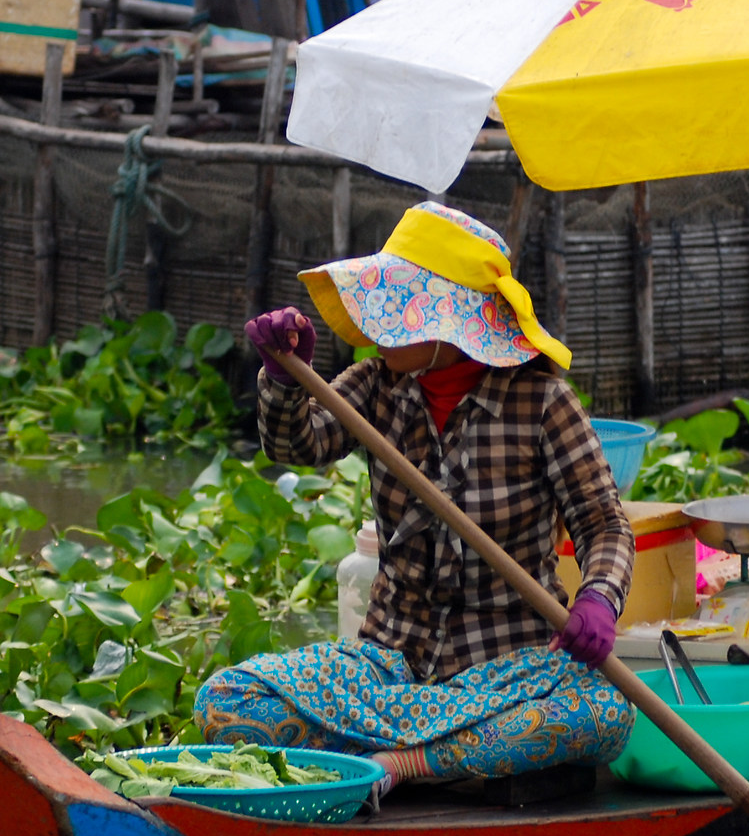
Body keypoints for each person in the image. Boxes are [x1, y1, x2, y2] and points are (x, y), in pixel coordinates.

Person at [197, 200, 634, 792]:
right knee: (226, 702)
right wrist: (284, 379)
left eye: (397, 310)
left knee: (602, 714)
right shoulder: (378, 385)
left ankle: (403, 763)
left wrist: (600, 599)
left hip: (509, 673)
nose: (378, 329)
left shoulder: (542, 404)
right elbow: (298, 445)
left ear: (450, 325)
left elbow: (603, 523)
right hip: (389, 668)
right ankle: (457, 756)